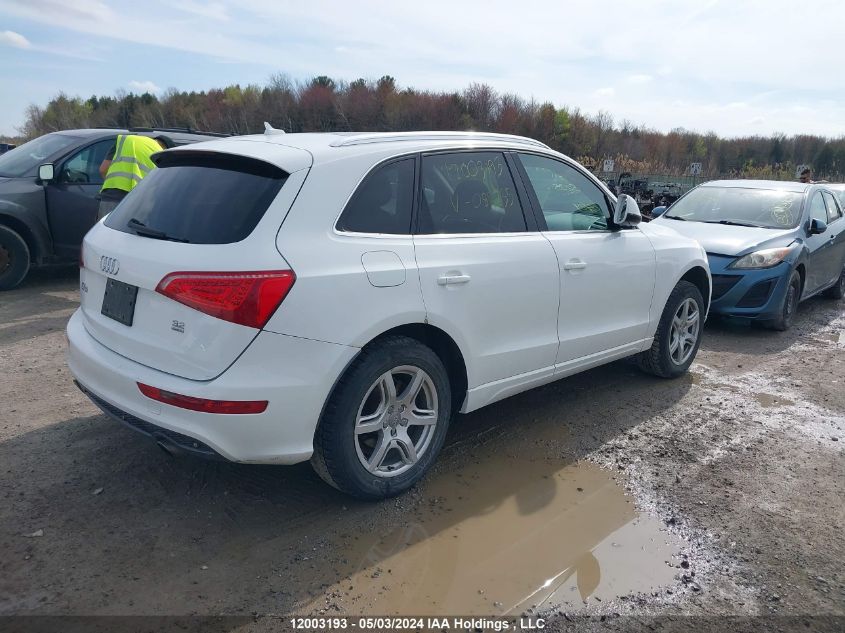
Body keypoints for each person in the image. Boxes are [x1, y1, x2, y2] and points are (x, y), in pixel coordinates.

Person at [97, 134, 171, 219]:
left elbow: (103, 170)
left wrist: (113, 185)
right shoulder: (160, 154)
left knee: (105, 231)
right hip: (137, 202)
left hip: (110, 197)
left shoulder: (125, 140)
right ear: (166, 148)